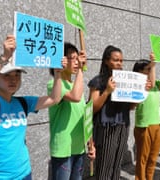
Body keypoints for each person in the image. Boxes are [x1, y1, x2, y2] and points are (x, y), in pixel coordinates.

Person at [0, 35, 66, 179]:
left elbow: (54, 98)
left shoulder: (23, 103)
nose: (13, 79)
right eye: (7, 76)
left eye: (17, 75)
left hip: (24, 173)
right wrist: (4, 57)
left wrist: (58, 74)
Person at [88, 45, 150, 180]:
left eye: (121, 61)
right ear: (106, 61)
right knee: (105, 166)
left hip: (123, 125)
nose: (119, 63)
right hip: (105, 128)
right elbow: (92, 108)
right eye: (116, 60)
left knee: (116, 165)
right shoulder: (97, 81)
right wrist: (107, 91)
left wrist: (142, 92)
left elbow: (131, 107)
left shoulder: (125, 81)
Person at [47, 43, 95, 180]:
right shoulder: (54, 84)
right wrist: (81, 69)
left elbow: (84, 117)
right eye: (71, 58)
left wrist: (91, 143)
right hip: (63, 149)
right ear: (60, 60)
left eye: (76, 58)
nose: (76, 62)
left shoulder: (76, 86)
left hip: (79, 148)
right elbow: (75, 97)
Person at [132, 52, 160, 180]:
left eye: (150, 69)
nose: (150, 72)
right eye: (147, 69)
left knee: (152, 158)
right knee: (142, 158)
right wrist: (154, 63)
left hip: (158, 125)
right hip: (144, 126)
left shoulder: (156, 85)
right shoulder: (136, 86)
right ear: (138, 72)